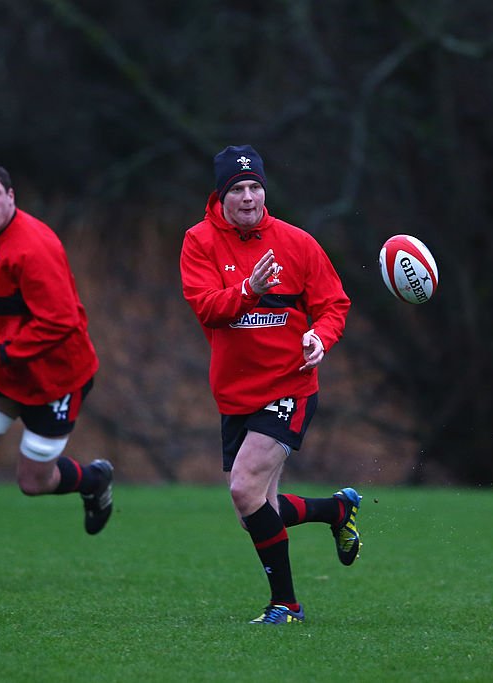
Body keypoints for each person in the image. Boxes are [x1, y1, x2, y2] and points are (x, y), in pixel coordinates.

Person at [179, 145, 361, 625]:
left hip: (290, 385)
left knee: (244, 490)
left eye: (255, 186)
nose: (248, 196)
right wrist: (249, 290)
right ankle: (335, 510)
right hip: (235, 394)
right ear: (220, 196)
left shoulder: (297, 242)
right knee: (254, 511)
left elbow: (334, 304)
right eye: (236, 188)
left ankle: (287, 605)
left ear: (265, 189)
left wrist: (320, 339)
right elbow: (207, 307)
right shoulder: (198, 242)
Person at [0, 162, 113, 585]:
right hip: (3, 369)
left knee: (33, 482)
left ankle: (95, 478)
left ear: (12, 196)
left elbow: (61, 321)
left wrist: (1, 351)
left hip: (56, 376)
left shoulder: (35, 246)